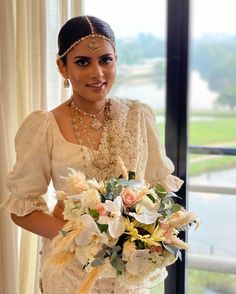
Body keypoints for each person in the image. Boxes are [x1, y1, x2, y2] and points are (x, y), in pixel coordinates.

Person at [1, 15, 183, 294]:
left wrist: (143, 233)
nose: (97, 73)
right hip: (70, 273)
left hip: (127, 272)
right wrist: (78, 237)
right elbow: (22, 209)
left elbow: (158, 189)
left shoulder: (138, 116)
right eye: (82, 62)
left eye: (106, 60)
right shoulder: (44, 126)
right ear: (62, 67)